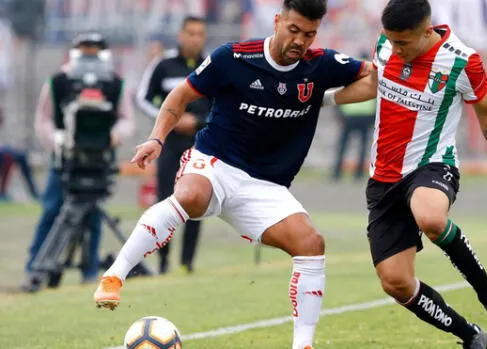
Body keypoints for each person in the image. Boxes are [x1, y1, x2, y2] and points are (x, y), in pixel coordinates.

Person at [94, 1, 371, 348]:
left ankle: (303, 345)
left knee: (311, 244)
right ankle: (115, 276)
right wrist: (156, 138)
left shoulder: (321, 65)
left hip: (266, 186)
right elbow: (179, 96)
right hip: (215, 164)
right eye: (294, 30)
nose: (301, 41)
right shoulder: (234, 58)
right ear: (277, 21)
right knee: (190, 197)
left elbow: (373, 79)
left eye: (310, 34)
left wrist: (326, 99)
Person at [324, 1, 487, 348]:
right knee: (396, 283)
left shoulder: (463, 61)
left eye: (402, 43)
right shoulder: (386, 44)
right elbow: (373, 85)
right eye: (390, 41)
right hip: (382, 178)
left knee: (431, 218)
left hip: (432, 165)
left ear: (426, 31)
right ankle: (468, 334)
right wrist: (322, 100)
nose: (395, 49)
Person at [21, 32, 135, 292]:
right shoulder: (58, 82)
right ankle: (34, 268)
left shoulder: (115, 84)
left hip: (99, 159)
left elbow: (126, 118)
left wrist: (113, 136)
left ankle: (90, 270)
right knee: (52, 211)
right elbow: (44, 118)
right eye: (85, 48)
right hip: (64, 161)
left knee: (93, 214)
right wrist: (58, 141)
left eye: (95, 48)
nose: (90, 54)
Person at [136, 16, 211, 274]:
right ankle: (164, 263)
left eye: (200, 33)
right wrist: (170, 119)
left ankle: (187, 263)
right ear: (180, 35)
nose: (195, 38)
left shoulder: (212, 65)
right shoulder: (164, 65)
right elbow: (143, 98)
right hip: (170, 145)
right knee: (165, 202)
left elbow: (225, 105)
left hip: (202, 145)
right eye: (190, 33)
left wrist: (199, 121)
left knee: (197, 202)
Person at [331, 54, 376, 181]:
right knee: (361, 146)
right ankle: (358, 174)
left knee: (343, 145)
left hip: (349, 116)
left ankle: (337, 173)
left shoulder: (350, 75)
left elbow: (340, 94)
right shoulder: (373, 79)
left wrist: (339, 114)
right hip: (364, 116)